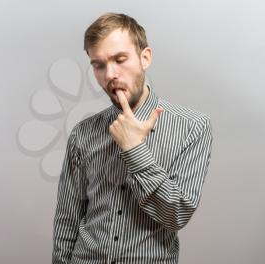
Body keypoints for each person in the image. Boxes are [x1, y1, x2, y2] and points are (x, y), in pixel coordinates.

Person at [51, 12, 213, 264]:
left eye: (120, 59)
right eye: (99, 64)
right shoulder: (83, 133)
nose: (110, 75)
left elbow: (177, 214)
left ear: (145, 58)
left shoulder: (192, 127)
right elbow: (67, 219)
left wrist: (134, 149)